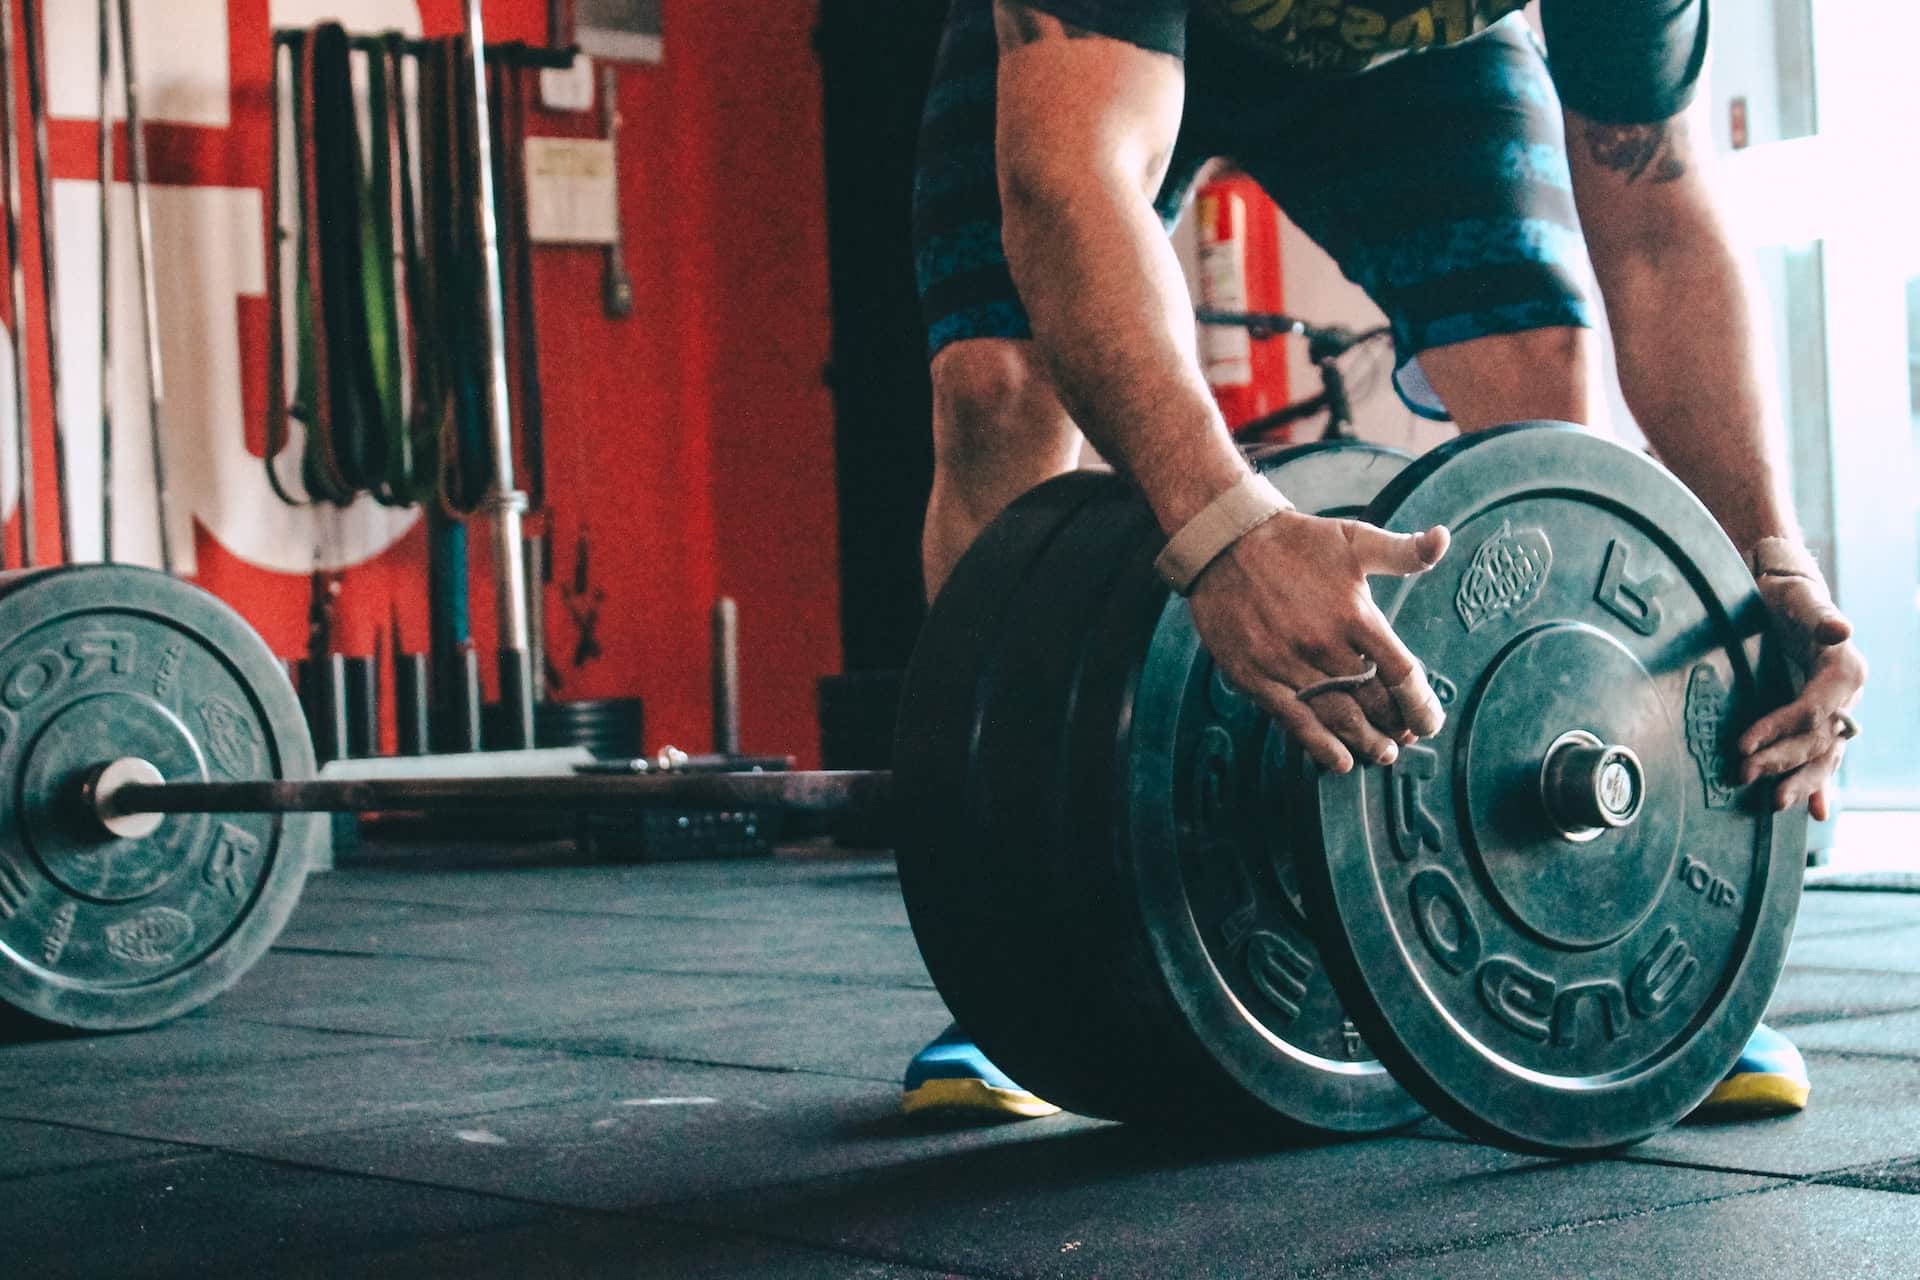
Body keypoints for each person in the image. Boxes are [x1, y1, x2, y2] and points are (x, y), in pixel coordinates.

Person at [900, 0, 1867, 1124]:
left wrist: (1771, 563)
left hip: (1416, 70)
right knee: (998, 387)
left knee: (1536, 365)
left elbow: (1656, 229)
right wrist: (1224, 534)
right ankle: (1018, 971)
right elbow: (1071, 187)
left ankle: (1610, 933)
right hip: (1101, 54)